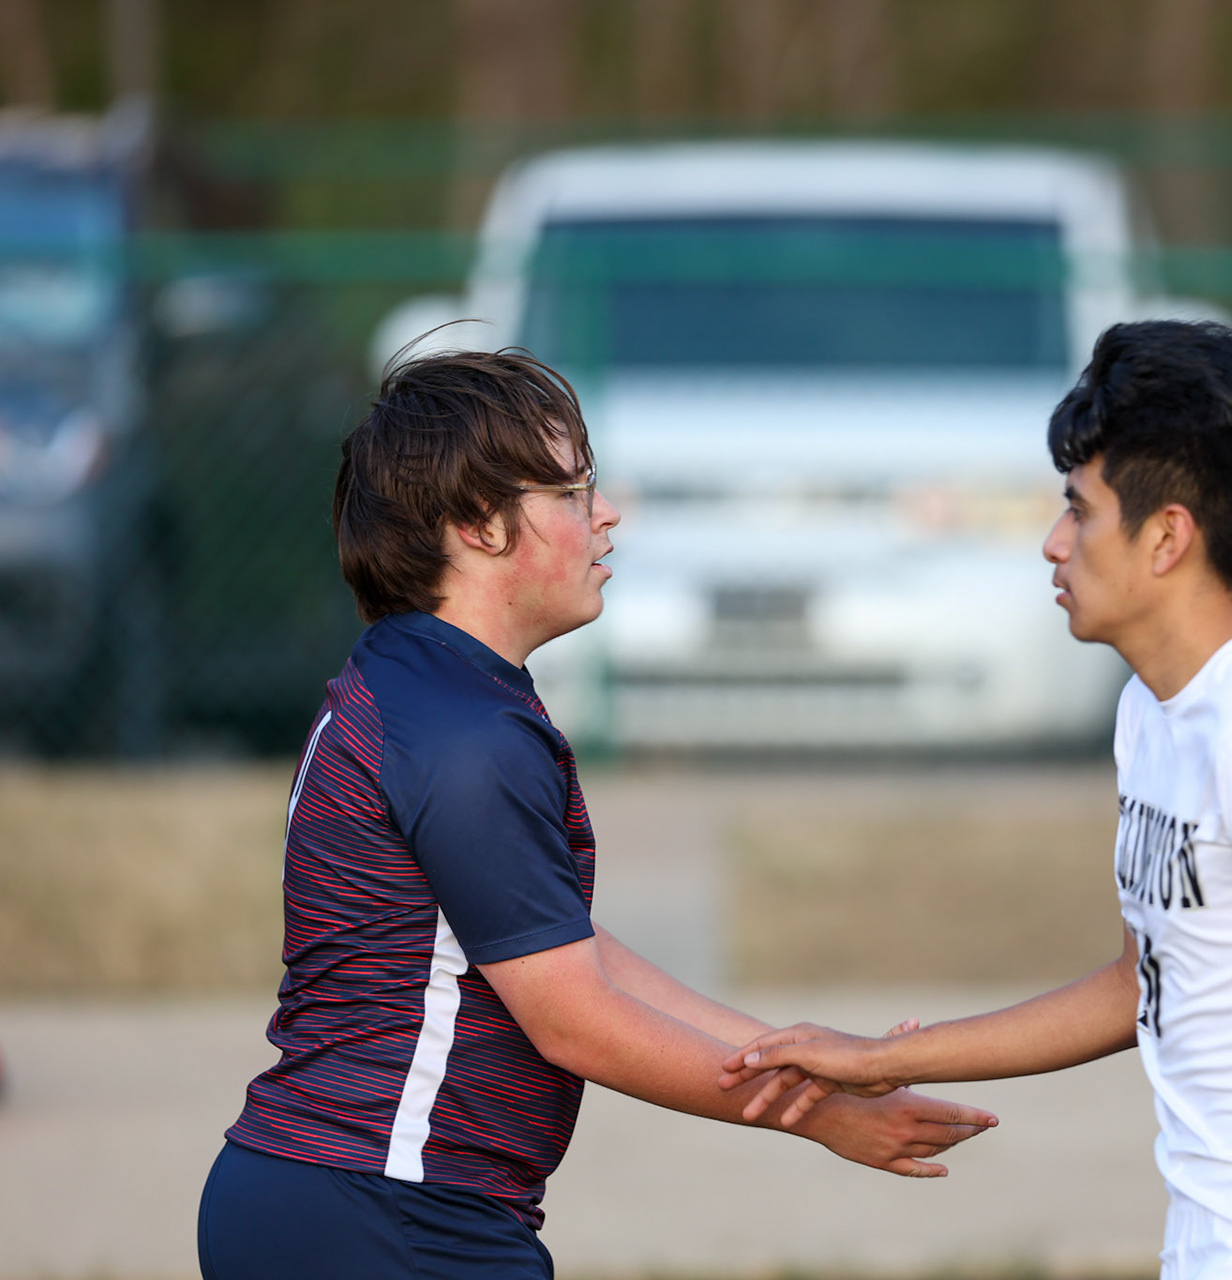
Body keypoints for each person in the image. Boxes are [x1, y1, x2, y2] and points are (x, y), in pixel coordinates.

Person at [721, 321, 1232, 1280]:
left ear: (1167, 538)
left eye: (1080, 510)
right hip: (1213, 1239)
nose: (1054, 544)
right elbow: (1142, 983)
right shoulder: (1155, 708)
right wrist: (889, 1055)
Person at [198, 349, 996, 1280]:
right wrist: (820, 1112)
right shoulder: (465, 732)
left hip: (331, 1195)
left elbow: (563, 948)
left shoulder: (414, 680)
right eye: (574, 490)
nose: (607, 513)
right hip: (389, 1209)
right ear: (475, 524)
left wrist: (795, 1057)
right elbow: (574, 1021)